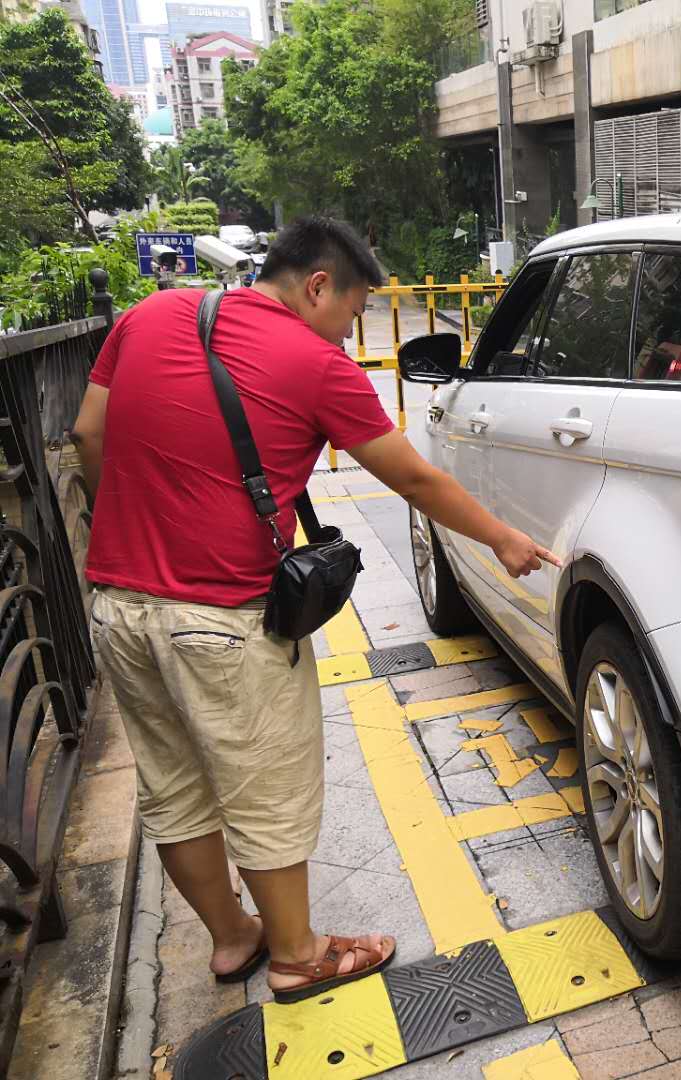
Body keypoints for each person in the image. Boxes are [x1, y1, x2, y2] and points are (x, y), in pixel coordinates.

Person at [70, 216, 558, 1002]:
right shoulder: (315, 362)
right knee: (264, 789)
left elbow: (88, 435)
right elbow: (416, 480)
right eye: (354, 312)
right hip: (224, 619)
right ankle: (298, 955)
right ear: (319, 285)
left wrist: (131, 530)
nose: (351, 332)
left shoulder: (148, 316)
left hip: (120, 608)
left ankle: (235, 939)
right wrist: (502, 540)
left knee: (174, 789)